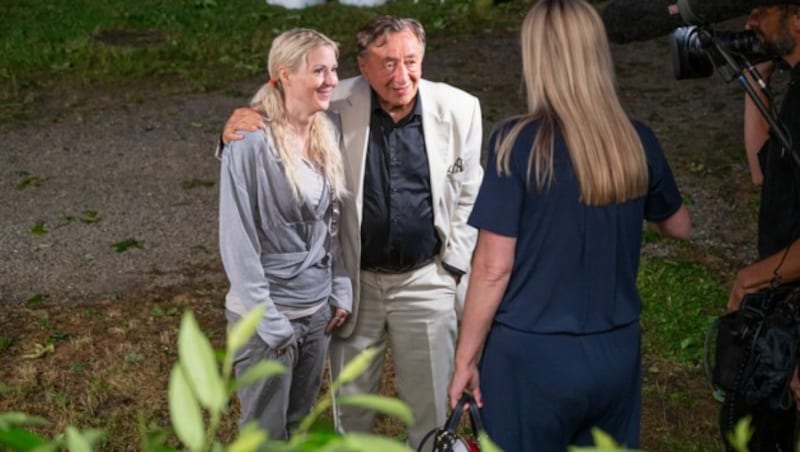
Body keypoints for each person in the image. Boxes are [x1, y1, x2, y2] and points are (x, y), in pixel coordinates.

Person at [220, 16, 483, 448]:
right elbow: (278, 115)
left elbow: (472, 190)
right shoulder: (335, 100)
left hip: (425, 281)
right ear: (363, 66)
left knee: (433, 412)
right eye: (388, 63)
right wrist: (231, 130)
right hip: (353, 285)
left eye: (411, 61)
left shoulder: (460, 108)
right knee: (350, 411)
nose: (402, 76)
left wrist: (451, 267)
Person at [446, 1, 691, 450]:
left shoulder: (515, 144)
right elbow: (679, 226)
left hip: (532, 357)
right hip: (614, 352)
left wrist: (465, 358)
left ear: (537, 58)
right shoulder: (636, 141)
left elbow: (492, 268)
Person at [218, 28, 352, 440]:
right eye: (318, 70)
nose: (331, 80)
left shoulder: (325, 130)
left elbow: (332, 222)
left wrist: (339, 286)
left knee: (301, 427)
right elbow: (237, 241)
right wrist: (270, 323)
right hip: (267, 321)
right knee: (263, 435)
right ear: (285, 75)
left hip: (315, 315)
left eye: (333, 69)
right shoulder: (250, 142)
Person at [721, 3, 800, 450]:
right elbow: (762, 171)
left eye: (760, 11)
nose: (749, 23)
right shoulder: (795, 87)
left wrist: (750, 278)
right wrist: (756, 77)